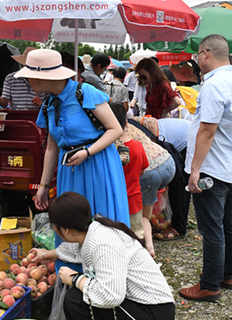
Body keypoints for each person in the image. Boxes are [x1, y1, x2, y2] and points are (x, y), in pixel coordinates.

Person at [28, 192, 175, 320]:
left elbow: (111, 296)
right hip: (139, 304)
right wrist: (45, 254)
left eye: (55, 226)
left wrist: (75, 279)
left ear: (65, 230)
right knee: (77, 299)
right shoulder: (93, 229)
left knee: (75, 301)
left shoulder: (103, 245)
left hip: (154, 313)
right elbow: (77, 250)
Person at [16, 49, 129, 227]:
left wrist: (87, 152)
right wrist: (43, 186)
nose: (27, 81)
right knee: (72, 222)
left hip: (98, 163)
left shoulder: (84, 92)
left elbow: (115, 129)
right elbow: (52, 148)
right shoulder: (48, 105)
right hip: (69, 169)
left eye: (29, 76)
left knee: (101, 220)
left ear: (46, 76)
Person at [180, 34, 232, 302]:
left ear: (206, 53)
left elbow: (207, 130)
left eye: (197, 55)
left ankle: (209, 285)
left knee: (211, 228)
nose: (197, 61)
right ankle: (226, 275)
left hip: (212, 167)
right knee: (230, 223)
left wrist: (195, 169)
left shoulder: (214, 85)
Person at [124, 121, 175, 257]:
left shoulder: (114, 136)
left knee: (143, 216)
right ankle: (162, 221)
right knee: (158, 196)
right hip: (168, 162)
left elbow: (140, 171)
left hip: (150, 171)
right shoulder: (132, 125)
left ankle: (149, 248)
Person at [110, 103, 149, 239]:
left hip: (112, 201)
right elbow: (142, 171)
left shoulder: (107, 150)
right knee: (136, 235)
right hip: (133, 198)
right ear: (126, 122)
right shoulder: (137, 147)